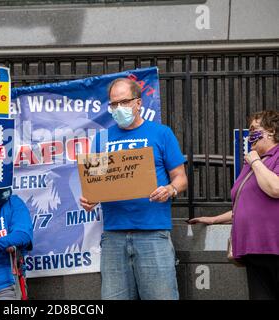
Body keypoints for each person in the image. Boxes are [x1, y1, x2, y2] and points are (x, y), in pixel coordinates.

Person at [80, 78, 188, 300]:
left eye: (124, 102)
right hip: (113, 236)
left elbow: (181, 178)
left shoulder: (161, 134)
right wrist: (90, 199)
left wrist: (169, 190)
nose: (118, 108)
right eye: (113, 104)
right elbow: (96, 184)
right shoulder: (101, 139)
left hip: (153, 233)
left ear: (138, 103)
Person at [189, 110, 279, 300]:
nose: (250, 135)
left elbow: (275, 188)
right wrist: (214, 219)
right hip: (254, 249)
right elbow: (246, 205)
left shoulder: (269, 158)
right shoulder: (252, 164)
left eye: (255, 129)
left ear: (271, 131)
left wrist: (255, 160)